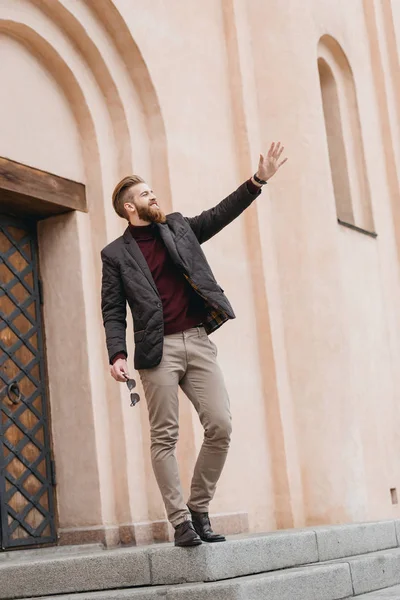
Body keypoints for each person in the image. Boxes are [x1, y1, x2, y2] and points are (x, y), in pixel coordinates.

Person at [101, 142, 287, 547]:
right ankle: (181, 522)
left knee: (220, 424)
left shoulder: (179, 227)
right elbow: (113, 309)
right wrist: (116, 353)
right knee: (164, 436)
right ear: (129, 208)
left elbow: (219, 215)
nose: (153, 196)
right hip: (157, 352)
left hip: (198, 342)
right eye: (145, 194)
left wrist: (257, 182)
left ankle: (200, 507)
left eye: (152, 191)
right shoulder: (115, 254)